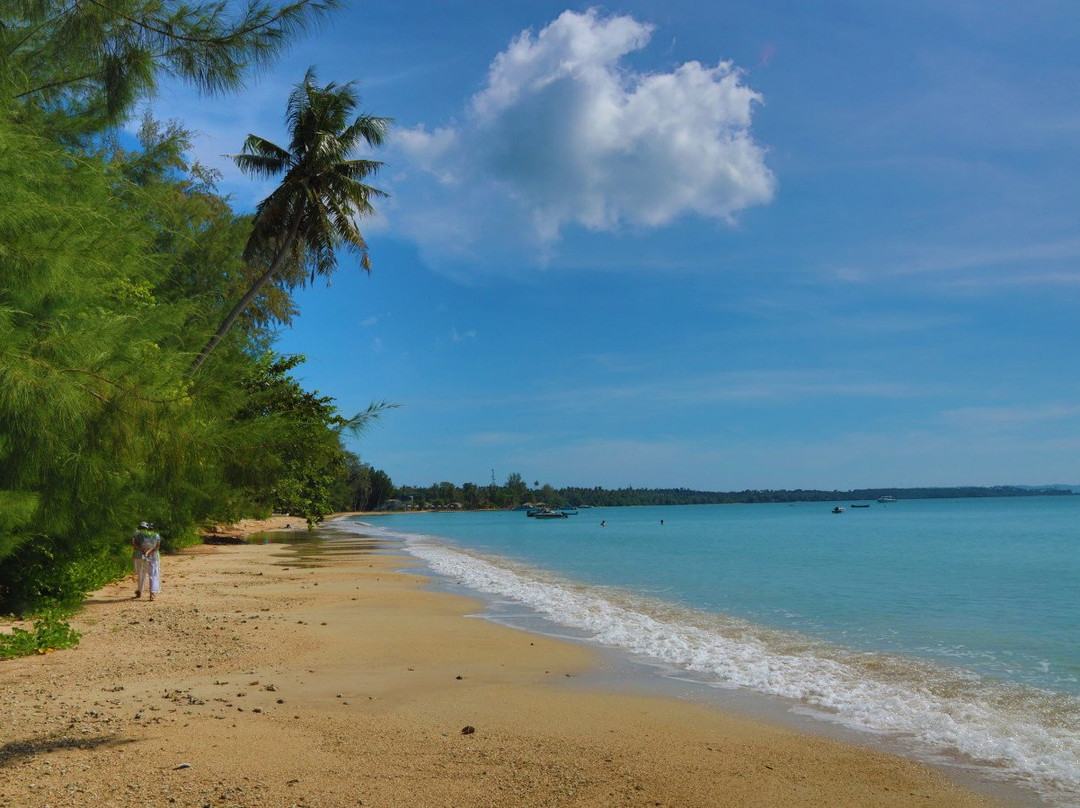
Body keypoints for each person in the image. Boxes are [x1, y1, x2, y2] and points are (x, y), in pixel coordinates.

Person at [131, 521, 162, 601]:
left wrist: (143, 550)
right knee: (153, 574)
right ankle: (152, 594)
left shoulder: (137, 534)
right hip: (153, 556)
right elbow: (157, 546)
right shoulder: (156, 535)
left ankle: (140, 591)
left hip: (141, 555)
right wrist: (150, 551)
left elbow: (133, 543)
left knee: (141, 574)